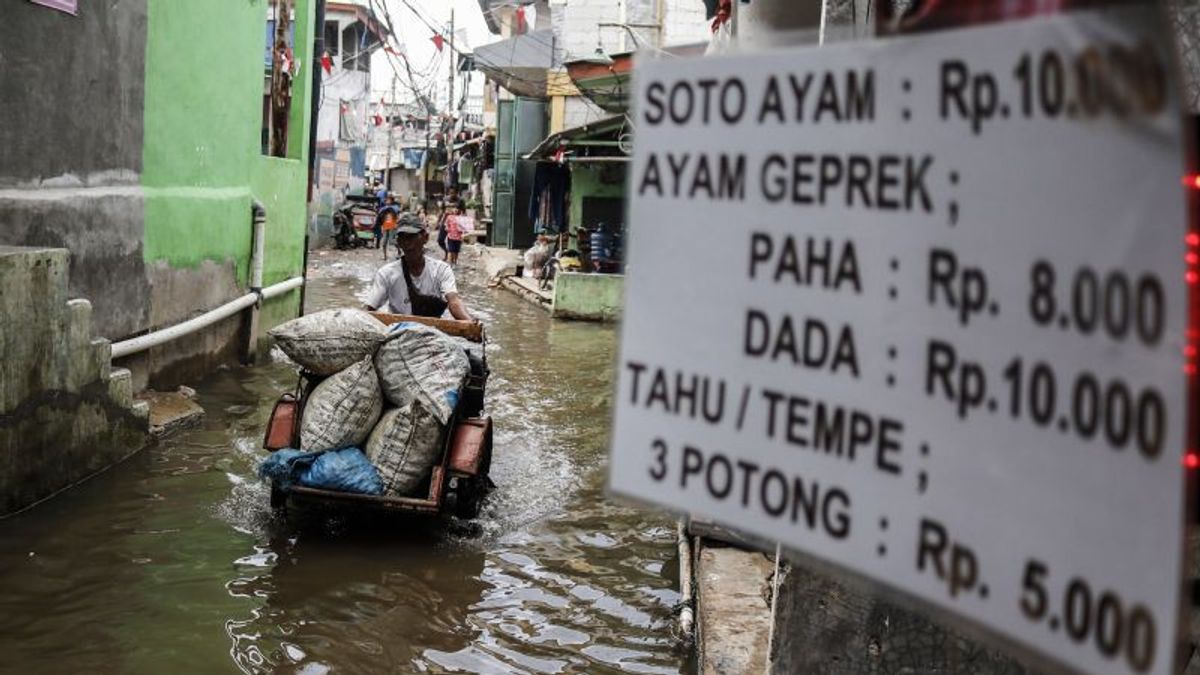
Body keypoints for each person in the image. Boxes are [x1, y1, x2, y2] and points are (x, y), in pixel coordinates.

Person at [363, 214, 473, 320]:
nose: (408, 243)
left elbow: (454, 301)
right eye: (403, 238)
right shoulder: (386, 274)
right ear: (398, 242)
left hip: (432, 334)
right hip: (397, 332)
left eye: (412, 237)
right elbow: (369, 308)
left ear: (425, 238)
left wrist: (471, 323)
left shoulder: (441, 270)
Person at [444, 201, 464, 266]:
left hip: (458, 237)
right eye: (454, 208)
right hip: (450, 236)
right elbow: (446, 224)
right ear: (452, 209)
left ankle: (455, 262)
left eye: (457, 208)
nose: (456, 210)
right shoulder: (449, 217)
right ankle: (450, 263)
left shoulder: (461, 218)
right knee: (450, 250)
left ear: (459, 210)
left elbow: (464, 226)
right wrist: (447, 228)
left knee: (456, 251)